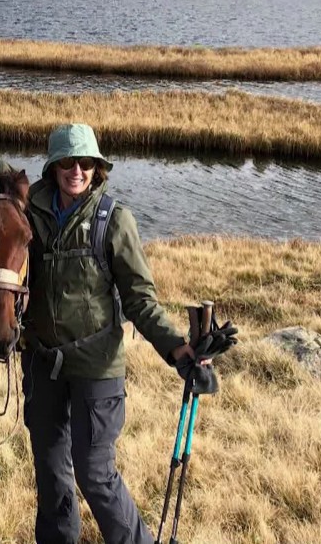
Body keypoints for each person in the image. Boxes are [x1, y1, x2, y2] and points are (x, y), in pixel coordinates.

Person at [21, 123, 195, 544]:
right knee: (50, 472)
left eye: (86, 163)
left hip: (97, 367)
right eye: (68, 162)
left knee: (95, 472)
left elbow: (139, 299)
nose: (76, 171)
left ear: (97, 168)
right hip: (42, 364)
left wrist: (178, 349)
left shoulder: (114, 220)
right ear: (53, 166)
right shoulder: (28, 214)